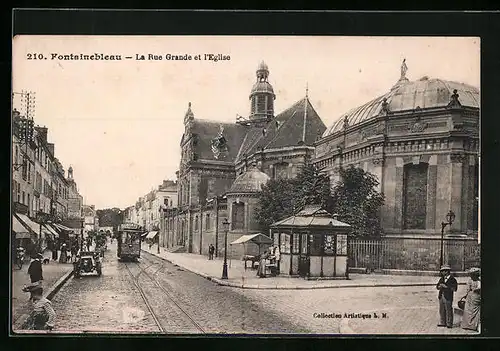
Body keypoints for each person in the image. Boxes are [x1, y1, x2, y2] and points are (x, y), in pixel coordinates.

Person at [461, 267, 481, 332]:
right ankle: (467, 325)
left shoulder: (479, 281)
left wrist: (477, 290)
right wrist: (465, 295)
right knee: (468, 310)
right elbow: (468, 289)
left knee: (475, 310)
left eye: (472, 275)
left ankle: (474, 325)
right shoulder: (470, 281)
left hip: (477, 297)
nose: (471, 276)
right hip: (470, 296)